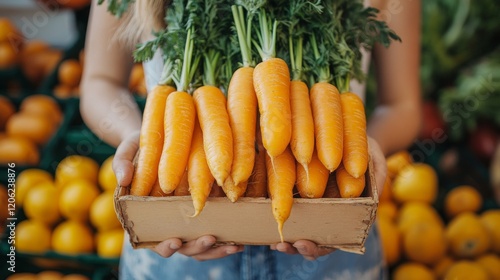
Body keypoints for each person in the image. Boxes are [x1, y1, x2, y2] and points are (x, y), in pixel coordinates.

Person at [80, 0, 422, 278]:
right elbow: (99, 82)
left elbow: (402, 106)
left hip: (331, 231)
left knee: (305, 155)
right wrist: (134, 134)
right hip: (177, 232)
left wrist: (369, 145)